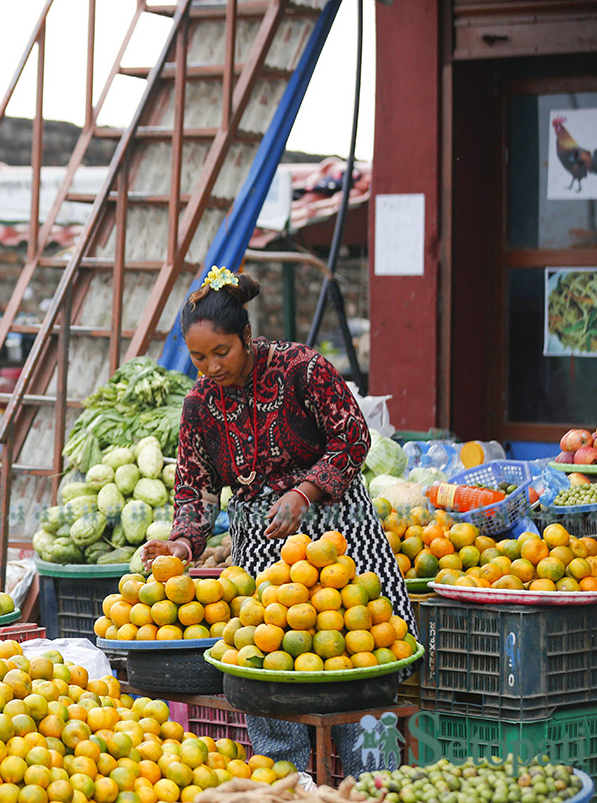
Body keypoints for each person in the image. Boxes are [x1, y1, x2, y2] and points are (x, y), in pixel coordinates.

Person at [139, 265, 416, 775]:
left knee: (358, 656)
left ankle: (370, 779)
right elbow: (195, 488)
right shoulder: (199, 404)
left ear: (246, 335)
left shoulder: (301, 368)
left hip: (341, 535)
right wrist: (181, 544)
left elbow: (352, 437)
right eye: (199, 357)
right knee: (270, 664)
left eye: (221, 353)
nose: (211, 367)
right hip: (263, 545)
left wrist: (305, 492)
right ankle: (288, 782)